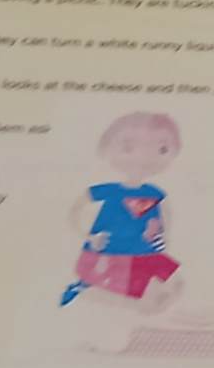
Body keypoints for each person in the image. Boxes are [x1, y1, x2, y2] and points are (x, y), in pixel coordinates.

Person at [60, 112, 183, 317]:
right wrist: (89, 236)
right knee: (141, 300)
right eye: (128, 148)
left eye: (161, 149)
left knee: (176, 284)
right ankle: (91, 293)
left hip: (146, 253)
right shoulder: (109, 190)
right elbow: (75, 210)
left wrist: (164, 235)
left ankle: (141, 307)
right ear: (105, 149)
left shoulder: (155, 193)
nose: (143, 158)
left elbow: (165, 215)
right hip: (112, 255)